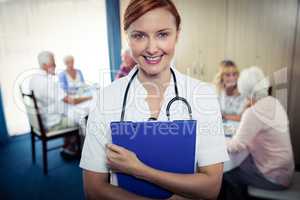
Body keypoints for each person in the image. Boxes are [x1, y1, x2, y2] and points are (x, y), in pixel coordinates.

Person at [80, 0, 229, 199]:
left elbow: (210, 188)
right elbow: (94, 190)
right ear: (128, 38)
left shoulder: (203, 95)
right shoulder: (106, 98)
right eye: (139, 35)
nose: (151, 48)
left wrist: (139, 169)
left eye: (162, 34)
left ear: (178, 35)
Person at [222, 67, 295, 199]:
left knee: (226, 173)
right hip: (285, 171)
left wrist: (217, 141)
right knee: (239, 162)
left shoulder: (253, 112)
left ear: (243, 89)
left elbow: (236, 145)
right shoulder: (274, 102)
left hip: (274, 178)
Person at [29, 51, 91, 158]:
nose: (56, 65)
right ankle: (85, 153)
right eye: (53, 63)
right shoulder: (48, 82)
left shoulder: (33, 79)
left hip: (42, 120)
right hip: (52, 122)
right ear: (45, 65)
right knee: (83, 119)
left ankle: (69, 145)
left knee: (69, 112)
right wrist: (90, 97)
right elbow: (72, 101)